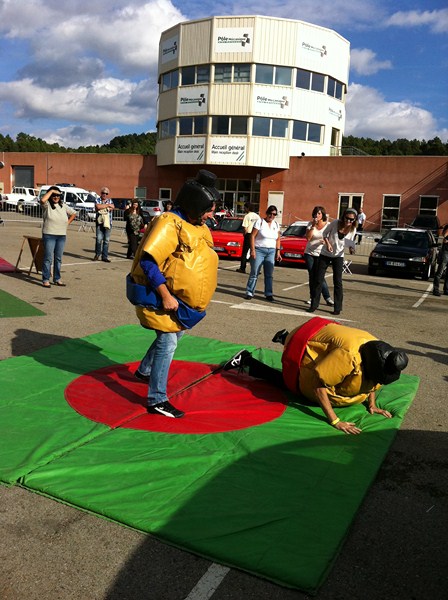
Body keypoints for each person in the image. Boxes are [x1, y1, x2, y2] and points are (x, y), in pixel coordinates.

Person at [128, 170, 220, 418]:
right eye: (209, 209)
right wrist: (166, 295)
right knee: (168, 341)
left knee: (174, 335)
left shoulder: (195, 224)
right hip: (161, 296)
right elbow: (148, 262)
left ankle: (145, 370)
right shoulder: (169, 222)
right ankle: (156, 399)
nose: (212, 215)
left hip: (180, 301)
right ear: (196, 204)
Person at [224, 317, 409, 435]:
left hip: (323, 339)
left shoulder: (378, 352)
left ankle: (284, 337)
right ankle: (247, 361)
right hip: (306, 340)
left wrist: (372, 405)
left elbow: (373, 380)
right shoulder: (348, 356)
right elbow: (318, 386)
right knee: (291, 384)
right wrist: (335, 421)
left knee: (327, 366)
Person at [308, 207, 357, 316]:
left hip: (338, 256)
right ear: (343, 216)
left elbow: (350, 243)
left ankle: (337, 308)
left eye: (351, 220)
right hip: (325, 254)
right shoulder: (335, 223)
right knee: (318, 279)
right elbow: (325, 234)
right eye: (347, 218)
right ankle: (314, 305)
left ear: (354, 221)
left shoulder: (353, 229)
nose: (348, 221)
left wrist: (351, 249)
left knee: (338, 281)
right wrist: (328, 244)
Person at [40, 185, 76, 288]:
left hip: (61, 235)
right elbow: (43, 200)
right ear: (50, 195)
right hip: (49, 234)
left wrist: (68, 222)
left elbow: (74, 213)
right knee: (48, 258)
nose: (56, 197)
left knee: (58, 258)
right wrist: (51, 191)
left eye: (58, 195)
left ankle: (57, 278)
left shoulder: (63, 206)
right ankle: (46, 279)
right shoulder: (46, 205)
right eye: (54, 195)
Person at [245, 205, 281, 302]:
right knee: (254, 272)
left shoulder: (276, 224)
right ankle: (249, 291)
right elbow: (252, 236)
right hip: (259, 249)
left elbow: (278, 239)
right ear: (267, 213)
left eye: (274, 214)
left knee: (269, 274)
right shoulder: (260, 222)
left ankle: (268, 293)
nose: (272, 216)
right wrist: (253, 250)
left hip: (271, 251)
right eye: (270, 213)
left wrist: (278, 252)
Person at [304, 205, 334, 307]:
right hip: (309, 253)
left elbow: (331, 239)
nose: (317, 215)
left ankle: (327, 297)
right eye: (316, 213)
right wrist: (313, 226)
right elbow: (308, 238)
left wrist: (326, 242)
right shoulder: (310, 224)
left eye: (319, 213)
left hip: (322, 253)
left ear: (323, 215)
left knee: (320, 277)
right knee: (312, 276)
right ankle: (313, 297)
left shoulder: (328, 225)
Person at [236, 203, 259, 274]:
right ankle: (257, 269)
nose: (244, 209)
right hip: (256, 235)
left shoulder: (247, 216)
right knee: (255, 251)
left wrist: (244, 234)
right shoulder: (257, 216)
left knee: (245, 252)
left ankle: (242, 268)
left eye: (245, 208)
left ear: (247, 208)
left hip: (249, 235)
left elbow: (245, 227)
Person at [94, 186, 114, 262]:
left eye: (106, 193)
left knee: (106, 240)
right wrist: (107, 206)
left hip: (108, 223)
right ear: (101, 193)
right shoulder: (97, 199)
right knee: (99, 239)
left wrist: (104, 206)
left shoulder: (110, 200)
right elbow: (98, 206)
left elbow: (113, 207)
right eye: (103, 193)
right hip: (99, 223)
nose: (104, 195)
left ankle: (104, 256)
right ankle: (97, 254)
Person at [432, 224, 448, 296]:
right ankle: (436, 290)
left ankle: (446, 290)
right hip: (446, 252)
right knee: (440, 272)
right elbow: (444, 235)